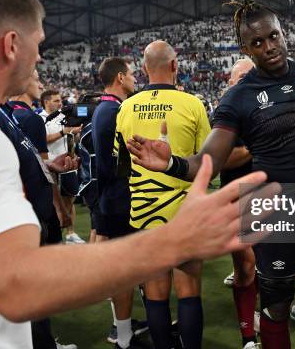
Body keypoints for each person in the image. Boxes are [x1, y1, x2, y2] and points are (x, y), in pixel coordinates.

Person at [0, 0, 273, 349]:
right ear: (12, 44)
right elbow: (16, 284)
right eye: (39, 42)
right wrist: (171, 242)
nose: (40, 57)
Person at [127, 0, 295, 349]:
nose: (269, 46)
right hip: (272, 212)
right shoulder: (238, 98)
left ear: (283, 33)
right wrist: (172, 163)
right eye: (257, 43)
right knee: (276, 307)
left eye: (273, 36)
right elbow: (209, 161)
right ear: (245, 48)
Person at [116, 40, 211, 349]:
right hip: (184, 212)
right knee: (189, 289)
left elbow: (120, 160)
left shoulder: (125, 106)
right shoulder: (193, 104)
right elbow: (207, 162)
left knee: (155, 293)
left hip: (143, 211)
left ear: (144, 69)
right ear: (175, 65)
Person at [0, 70, 75, 349]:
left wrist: (49, 167)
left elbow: (27, 159)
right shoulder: (20, 116)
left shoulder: (7, 112)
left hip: (33, 211)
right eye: (35, 75)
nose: (40, 80)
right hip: (29, 216)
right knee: (34, 290)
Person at [91, 57, 149, 349]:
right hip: (121, 199)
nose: (135, 78)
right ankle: (123, 338)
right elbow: (121, 162)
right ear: (119, 78)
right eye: (130, 74)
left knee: (128, 269)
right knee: (126, 271)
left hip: (112, 198)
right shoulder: (115, 110)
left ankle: (124, 329)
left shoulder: (104, 109)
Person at [220, 57, 261, 348]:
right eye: (240, 77)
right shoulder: (225, 112)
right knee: (245, 268)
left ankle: (264, 319)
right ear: (230, 82)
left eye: (251, 75)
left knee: (273, 267)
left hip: (271, 193)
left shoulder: (270, 107)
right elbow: (223, 159)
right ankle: (248, 336)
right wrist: (253, 147)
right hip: (238, 195)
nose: (246, 81)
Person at [44, 89, 85, 244]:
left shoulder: (63, 117)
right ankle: (59, 232)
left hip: (68, 162)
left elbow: (69, 135)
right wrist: (63, 132)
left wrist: (73, 133)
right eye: (55, 101)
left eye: (60, 100)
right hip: (52, 164)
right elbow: (44, 139)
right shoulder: (41, 117)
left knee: (70, 197)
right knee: (58, 202)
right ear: (46, 102)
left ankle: (70, 233)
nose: (59, 103)